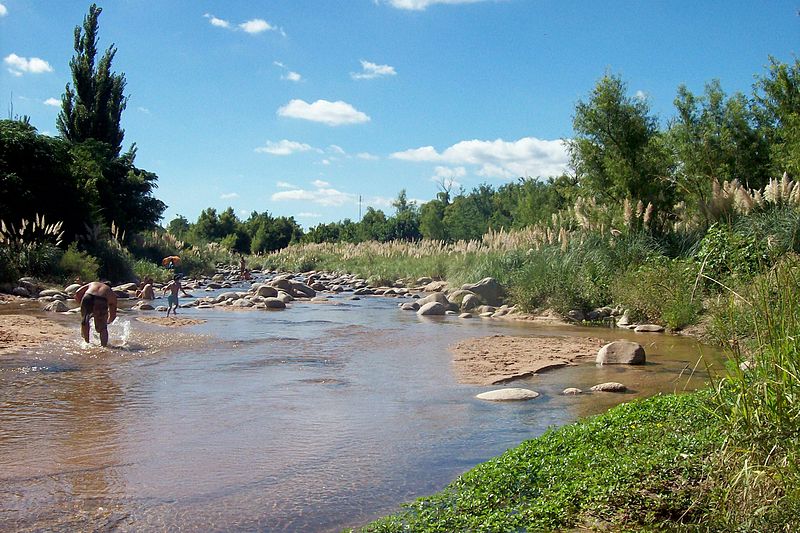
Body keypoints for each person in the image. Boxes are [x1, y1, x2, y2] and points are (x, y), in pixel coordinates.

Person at [74, 281, 118, 347]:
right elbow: (113, 315)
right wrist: (107, 322)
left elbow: (77, 292)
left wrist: (81, 304)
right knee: (102, 328)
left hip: (88, 297)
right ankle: (104, 347)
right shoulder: (111, 293)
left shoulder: (93, 283)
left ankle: (86, 343)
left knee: (85, 320)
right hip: (101, 300)